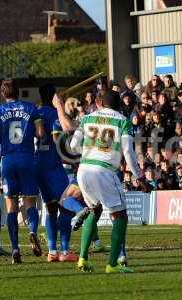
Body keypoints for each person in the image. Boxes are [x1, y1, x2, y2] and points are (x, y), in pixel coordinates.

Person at [58, 90, 141, 273]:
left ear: (101, 102)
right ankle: (112, 264)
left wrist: (89, 152)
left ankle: (82, 259)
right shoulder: (122, 120)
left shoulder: (87, 118)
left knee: (94, 211)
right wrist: (140, 177)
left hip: (84, 169)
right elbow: (128, 153)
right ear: (118, 104)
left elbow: (73, 146)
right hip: (104, 171)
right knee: (121, 216)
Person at [0, 79, 44, 264]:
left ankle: (15, 248)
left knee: (11, 206)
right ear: (18, 92)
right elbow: (40, 133)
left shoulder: (0, 110)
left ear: (3, 94)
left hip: (8, 160)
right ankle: (32, 231)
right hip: (27, 158)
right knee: (30, 203)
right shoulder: (31, 108)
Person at [36, 83, 78, 263]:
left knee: (51, 208)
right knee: (66, 207)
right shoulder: (54, 114)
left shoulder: (36, 113)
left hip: (38, 164)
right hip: (53, 165)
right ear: (54, 96)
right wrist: (72, 157)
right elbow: (56, 137)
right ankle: (65, 250)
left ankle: (52, 251)